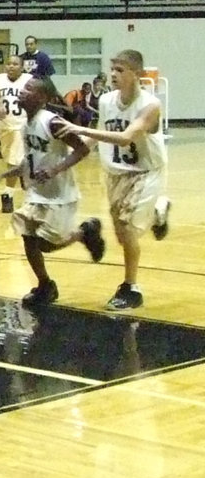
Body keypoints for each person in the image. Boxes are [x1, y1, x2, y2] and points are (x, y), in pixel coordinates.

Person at [61, 49, 170, 311]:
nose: (113, 74)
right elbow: (96, 136)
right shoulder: (107, 101)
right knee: (122, 236)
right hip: (116, 172)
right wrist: (65, 160)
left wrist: (79, 127)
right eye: (112, 69)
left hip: (146, 171)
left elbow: (125, 137)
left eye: (120, 70)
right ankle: (158, 212)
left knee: (127, 228)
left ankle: (130, 288)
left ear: (137, 74)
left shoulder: (150, 105)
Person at [0, 76, 103, 308]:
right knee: (28, 239)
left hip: (60, 195)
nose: (22, 91)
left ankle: (84, 232)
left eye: (28, 89)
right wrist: (2, 175)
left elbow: (82, 149)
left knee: (46, 244)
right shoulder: (25, 124)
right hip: (36, 193)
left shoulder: (52, 122)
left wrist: (55, 169)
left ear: (41, 98)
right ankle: (45, 285)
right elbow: (30, 162)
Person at [0, 55, 33, 213]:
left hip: (22, 124)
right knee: (13, 159)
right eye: (9, 63)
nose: (11, 66)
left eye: (15, 64)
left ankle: (8, 195)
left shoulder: (29, 80)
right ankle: (23, 180)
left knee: (14, 160)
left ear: (22, 66)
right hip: (4, 126)